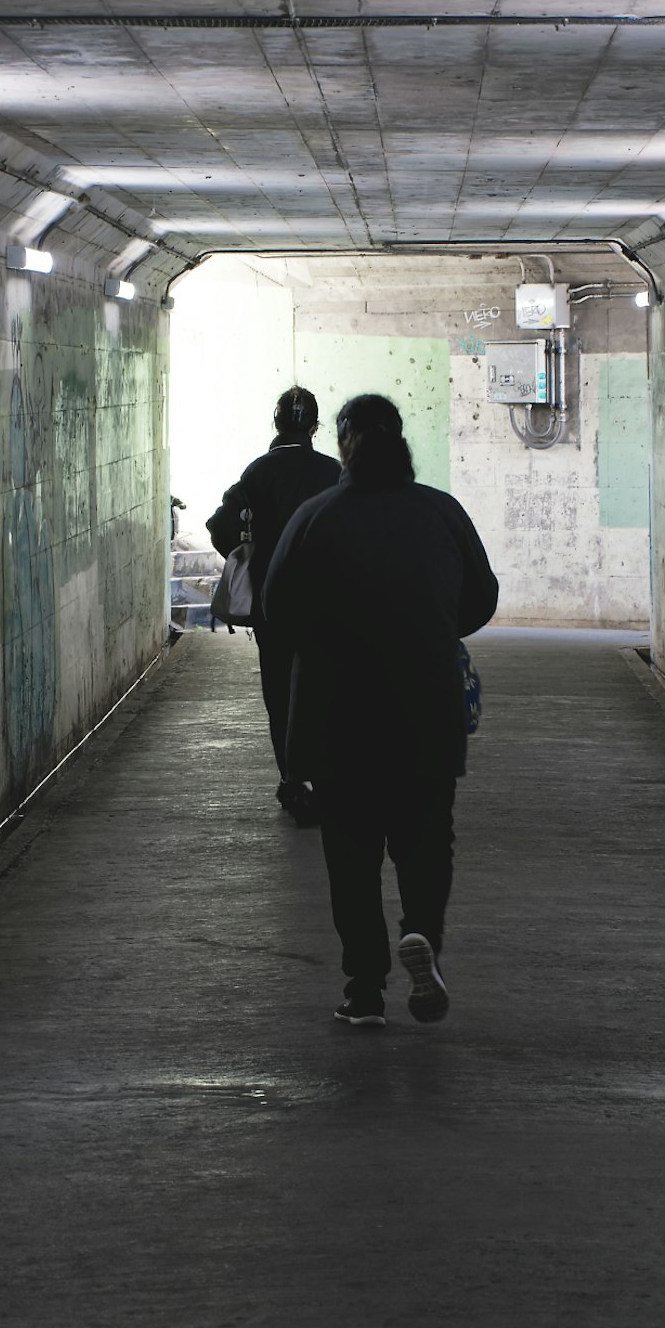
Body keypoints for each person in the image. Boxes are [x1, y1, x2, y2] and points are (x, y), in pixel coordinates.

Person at [253, 391, 498, 1028]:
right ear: (402, 441)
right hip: (425, 707)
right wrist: (431, 626)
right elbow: (482, 598)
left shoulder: (315, 517)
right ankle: (422, 939)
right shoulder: (441, 513)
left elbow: (277, 610)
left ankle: (364, 988)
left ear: (343, 445)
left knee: (351, 853)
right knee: (426, 837)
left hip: (339, 718)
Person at [206, 385, 341, 824]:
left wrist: (248, 553)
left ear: (276, 423)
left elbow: (223, 524)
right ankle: (326, 776)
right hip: (327, 605)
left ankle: (292, 778)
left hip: (274, 603)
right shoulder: (333, 473)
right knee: (326, 687)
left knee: (280, 690)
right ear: (315, 427)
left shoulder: (257, 473)